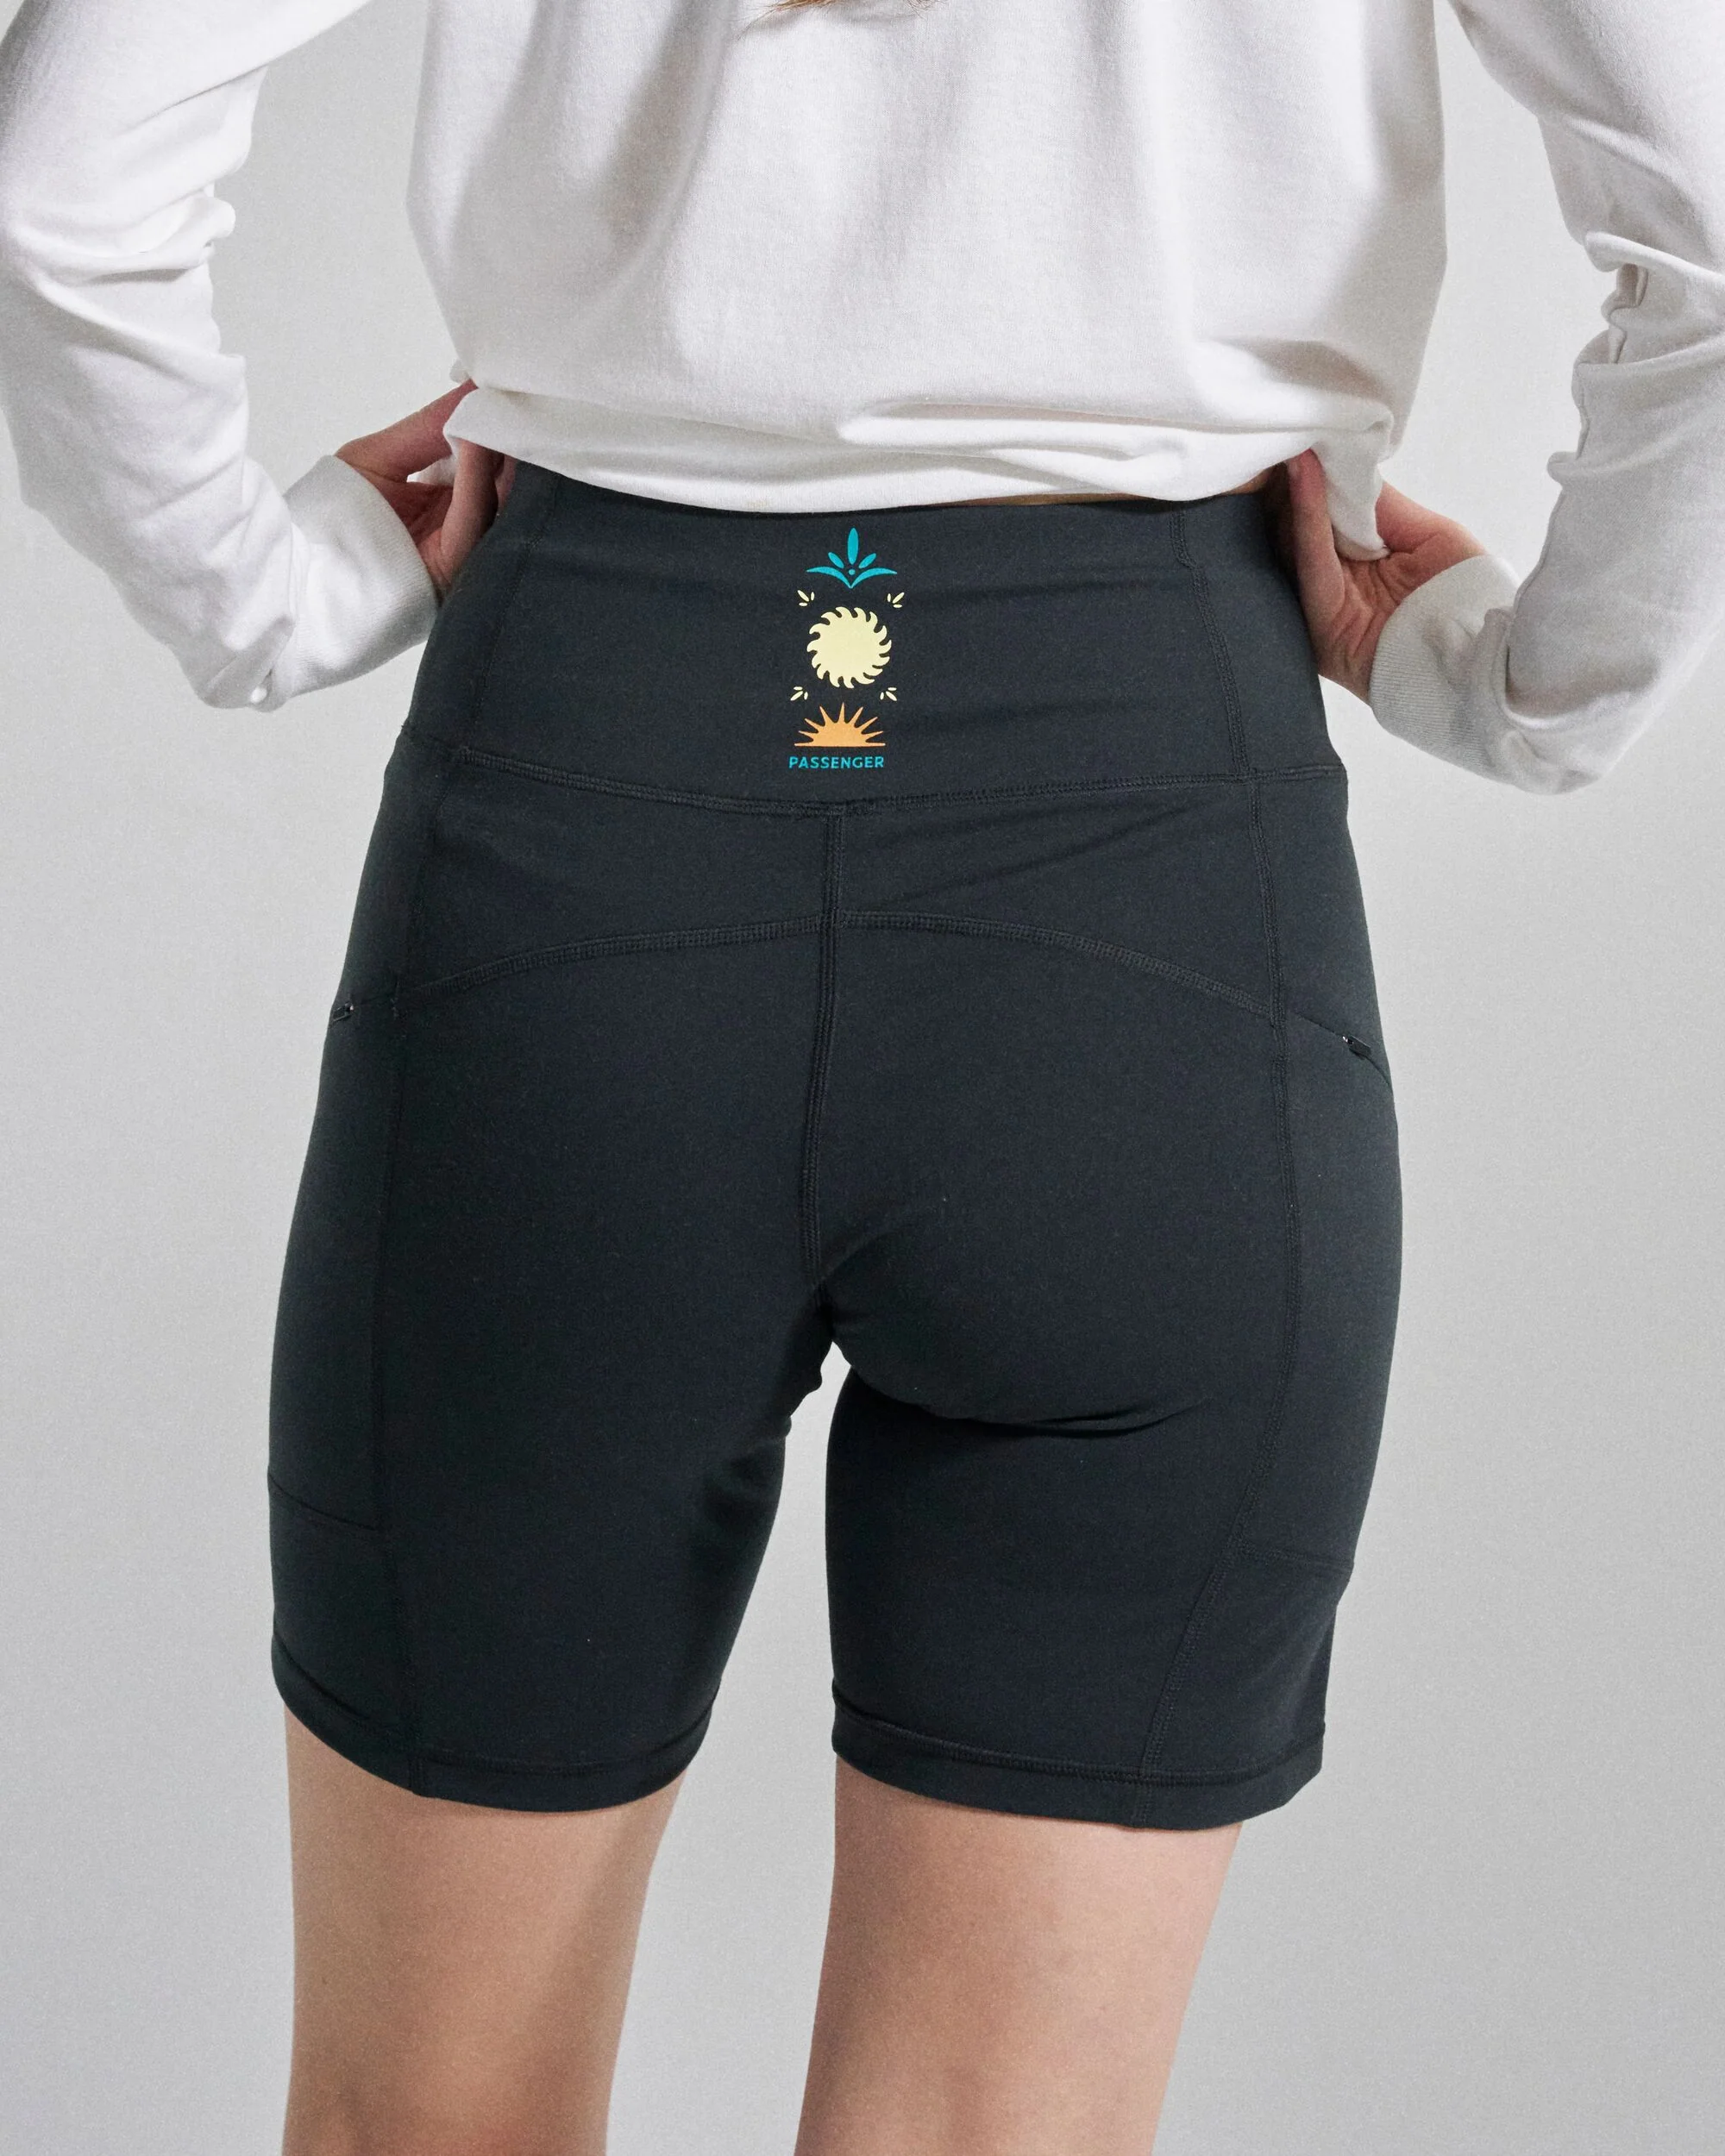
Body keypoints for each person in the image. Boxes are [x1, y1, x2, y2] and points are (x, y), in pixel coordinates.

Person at [0, 1, 1720, 2149]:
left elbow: (56, 180)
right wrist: (1534, 685)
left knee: (424, 2116)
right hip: (1154, 890)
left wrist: (261, 593)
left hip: (578, 851)